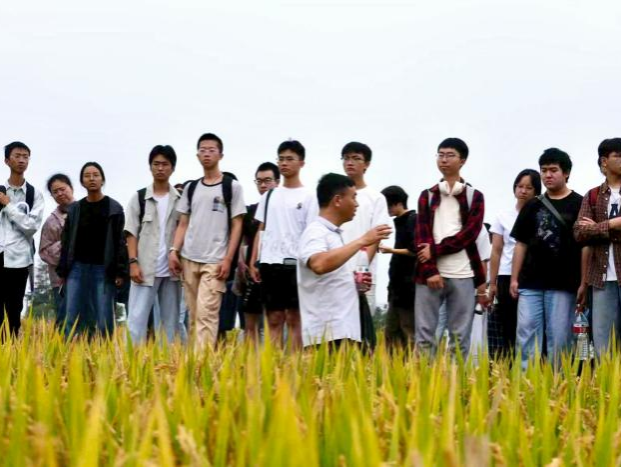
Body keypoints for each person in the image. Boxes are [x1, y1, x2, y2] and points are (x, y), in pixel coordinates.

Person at [510, 148, 586, 369]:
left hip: (564, 283)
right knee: (526, 334)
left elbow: (585, 246)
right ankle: (526, 382)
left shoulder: (580, 204)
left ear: (566, 173)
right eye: (544, 170)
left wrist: (583, 282)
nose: (547, 175)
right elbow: (520, 243)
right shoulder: (532, 205)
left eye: (553, 170)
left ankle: (558, 383)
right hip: (530, 282)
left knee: (560, 337)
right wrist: (514, 278)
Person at [169, 133, 246, 350]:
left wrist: (228, 259)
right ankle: (195, 361)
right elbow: (183, 223)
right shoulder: (192, 188)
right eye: (202, 150)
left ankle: (202, 364)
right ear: (197, 155)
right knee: (194, 317)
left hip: (215, 260)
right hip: (189, 258)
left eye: (211, 150)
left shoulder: (232, 187)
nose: (207, 154)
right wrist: (174, 250)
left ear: (221, 155)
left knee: (207, 314)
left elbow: (237, 225)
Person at [414, 138, 489, 359]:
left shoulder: (474, 197)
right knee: (425, 336)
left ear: (462, 160)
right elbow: (421, 236)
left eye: (450, 155)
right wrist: (430, 270)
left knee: (459, 338)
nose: (444, 160)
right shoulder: (427, 196)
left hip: (464, 273)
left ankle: (457, 380)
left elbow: (469, 235)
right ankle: (424, 379)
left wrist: (435, 250)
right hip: (430, 275)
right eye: (440, 155)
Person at [298, 174, 392, 348]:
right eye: (353, 197)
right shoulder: (315, 232)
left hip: (343, 330)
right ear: (337, 200)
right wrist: (362, 240)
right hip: (327, 335)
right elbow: (318, 264)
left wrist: (354, 281)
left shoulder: (333, 235)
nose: (357, 204)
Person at [249, 141, 318, 350]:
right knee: (273, 317)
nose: (284, 163)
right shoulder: (269, 195)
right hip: (270, 264)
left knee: (295, 318)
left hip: (296, 264)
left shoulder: (309, 196)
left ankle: (295, 363)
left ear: (301, 163)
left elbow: (312, 232)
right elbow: (262, 229)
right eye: (281, 159)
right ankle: (274, 363)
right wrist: (254, 261)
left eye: (290, 159)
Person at [58, 162, 128, 338]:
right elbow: (66, 241)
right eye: (87, 176)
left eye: (96, 175)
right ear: (82, 181)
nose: (92, 179)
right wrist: (63, 270)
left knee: (104, 318)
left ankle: (106, 351)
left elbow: (120, 242)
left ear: (102, 179)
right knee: (71, 316)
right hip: (77, 268)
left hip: (103, 269)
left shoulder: (114, 208)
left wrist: (120, 271)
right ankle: (69, 351)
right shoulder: (75, 209)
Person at [125, 145, 182, 344]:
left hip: (172, 272)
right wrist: (133, 262)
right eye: (156, 164)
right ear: (150, 167)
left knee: (170, 325)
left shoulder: (180, 200)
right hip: (144, 269)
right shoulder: (139, 198)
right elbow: (131, 232)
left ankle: (168, 362)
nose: (160, 168)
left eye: (165, 164)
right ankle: (131, 361)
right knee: (136, 321)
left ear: (172, 168)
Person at [340, 142, 392, 348]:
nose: (350, 162)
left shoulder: (375, 198)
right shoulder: (335, 196)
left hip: (363, 275)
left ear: (367, 164)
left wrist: (361, 269)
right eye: (346, 158)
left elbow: (376, 237)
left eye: (356, 158)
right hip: (335, 270)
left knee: (361, 330)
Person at [574, 138, 621, 357]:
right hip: (601, 278)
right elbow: (579, 233)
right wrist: (612, 224)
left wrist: (596, 228)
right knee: (604, 345)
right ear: (604, 161)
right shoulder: (593, 195)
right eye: (618, 155)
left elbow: (589, 231)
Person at [487, 169, 541, 358]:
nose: (523, 191)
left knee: (530, 325)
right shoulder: (503, 216)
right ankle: (509, 365)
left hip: (532, 276)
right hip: (506, 275)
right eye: (520, 186)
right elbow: (496, 250)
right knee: (508, 323)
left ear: (536, 191)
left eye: (529, 187)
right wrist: (492, 283)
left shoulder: (540, 215)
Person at [0, 141, 45, 339]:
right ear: (6, 160)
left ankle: (12, 351)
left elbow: (31, 226)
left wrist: (8, 206)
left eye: (25, 157)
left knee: (14, 308)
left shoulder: (34, 195)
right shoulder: (0, 190)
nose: (21, 160)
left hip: (19, 259)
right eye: (17, 156)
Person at [237, 162, 280, 344]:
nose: (263, 185)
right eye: (259, 181)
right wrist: (242, 263)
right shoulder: (250, 212)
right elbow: (242, 240)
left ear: (277, 182)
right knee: (250, 321)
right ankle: (250, 358)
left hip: (277, 272)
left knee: (276, 321)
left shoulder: (284, 210)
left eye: (267, 180)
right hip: (252, 273)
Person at [379, 186, 417, 349]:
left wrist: (391, 251)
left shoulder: (412, 220)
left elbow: (415, 250)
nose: (386, 210)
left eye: (388, 205)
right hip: (396, 287)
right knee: (391, 331)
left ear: (398, 203)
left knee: (407, 330)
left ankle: (413, 363)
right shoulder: (402, 222)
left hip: (407, 288)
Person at [39, 173, 75, 328]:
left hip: (89, 276)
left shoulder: (87, 211)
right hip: (61, 280)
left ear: (71, 188)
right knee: (64, 320)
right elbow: (44, 251)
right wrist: (69, 241)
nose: (60, 194)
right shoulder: (51, 222)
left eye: (62, 189)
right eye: (55, 192)